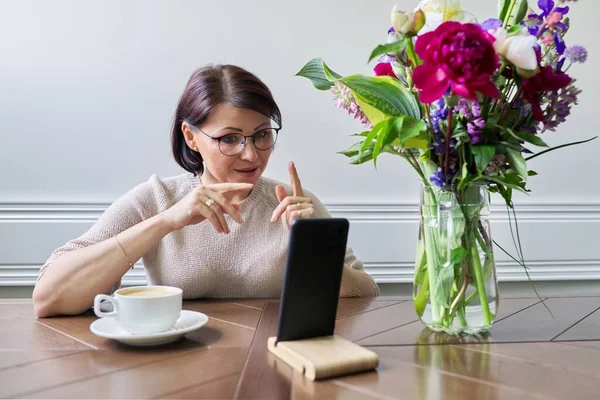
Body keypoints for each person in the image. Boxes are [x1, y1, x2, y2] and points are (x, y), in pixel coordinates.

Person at [32, 64, 379, 317]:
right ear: (191, 137)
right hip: (172, 367)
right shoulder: (156, 200)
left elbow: (366, 293)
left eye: (262, 134)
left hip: (271, 365)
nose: (251, 154)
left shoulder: (293, 203)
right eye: (229, 138)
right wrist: (166, 222)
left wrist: (314, 250)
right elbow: (48, 298)